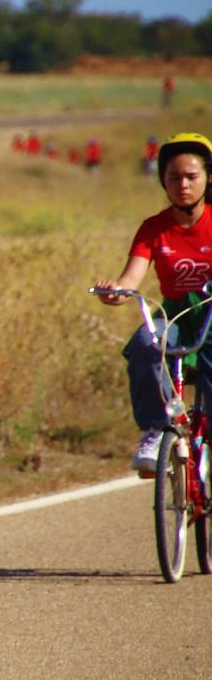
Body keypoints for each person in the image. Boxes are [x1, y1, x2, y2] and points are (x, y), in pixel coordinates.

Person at [93, 133, 212, 473]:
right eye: (173, 177)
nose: (183, 185)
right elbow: (129, 281)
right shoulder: (153, 228)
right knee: (147, 343)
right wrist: (113, 292)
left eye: (192, 176)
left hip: (211, 317)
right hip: (175, 317)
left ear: (208, 178)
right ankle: (158, 431)